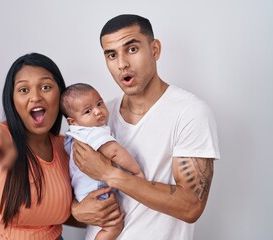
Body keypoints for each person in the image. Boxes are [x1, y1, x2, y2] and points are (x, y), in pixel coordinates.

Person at [71, 14, 220, 240]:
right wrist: (75, 210)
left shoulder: (189, 112)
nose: (122, 64)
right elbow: (77, 190)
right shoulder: (98, 116)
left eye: (131, 49)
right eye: (112, 55)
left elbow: (191, 207)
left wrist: (109, 173)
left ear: (155, 49)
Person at [0, 52, 101, 240]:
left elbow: (52, 210)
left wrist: (80, 210)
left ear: (61, 95)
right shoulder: (0, 134)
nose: (35, 97)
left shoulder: (68, 149)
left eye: (46, 87)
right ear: (12, 99)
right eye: (23, 90)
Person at [60, 83, 144, 240]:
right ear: (73, 121)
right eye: (88, 111)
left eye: (99, 103)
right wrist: (136, 171)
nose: (98, 111)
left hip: (82, 192)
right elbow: (114, 152)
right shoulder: (94, 133)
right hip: (97, 190)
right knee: (114, 225)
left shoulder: (73, 135)